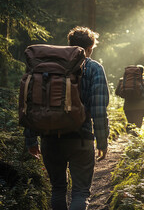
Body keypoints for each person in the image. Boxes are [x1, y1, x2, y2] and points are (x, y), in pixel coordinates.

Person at [24, 26, 110, 210]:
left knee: (58, 189)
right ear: (89, 49)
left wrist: (31, 139)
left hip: (49, 137)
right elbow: (99, 109)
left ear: (70, 45)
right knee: (80, 192)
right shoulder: (94, 68)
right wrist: (102, 141)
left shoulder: (45, 69)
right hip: (81, 138)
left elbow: (31, 103)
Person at [115, 65, 144, 130]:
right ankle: (135, 139)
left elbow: (117, 93)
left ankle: (130, 137)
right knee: (137, 127)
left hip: (127, 107)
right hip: (140, 107)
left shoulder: (123, 81)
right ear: (142, 73)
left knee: (130, 124)